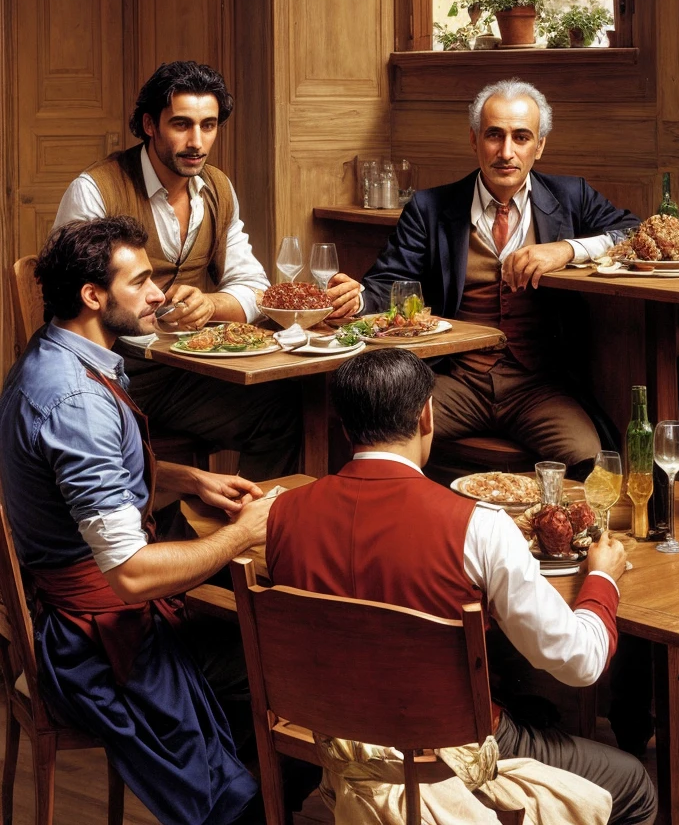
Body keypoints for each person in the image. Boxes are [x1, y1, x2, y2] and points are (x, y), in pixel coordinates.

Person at [265, 347, 658, 825]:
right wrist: (600, 579)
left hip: (335, 742)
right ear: (427, 415)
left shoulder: (282, 514)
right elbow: (581, 662)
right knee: (634, 783)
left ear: (344, 425)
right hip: (444, 754)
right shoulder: (481, 525)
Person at [0, 217, 277, 825]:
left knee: (255, 663)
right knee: (270, 668)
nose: (159, 294)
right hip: (93, 641)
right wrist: (242, 532)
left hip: (90, 608)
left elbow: (79, 493)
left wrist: (185, 479)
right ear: (93, 297)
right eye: (142, 281)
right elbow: (128, 572)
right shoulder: (77, 402)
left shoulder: (55, 357)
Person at [324, 78, 639, 472]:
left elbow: (634, 233)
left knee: (591, 465)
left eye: (521, 137)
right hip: (454, 380)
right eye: (494, 135)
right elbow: (388, 283)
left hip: (539, 387)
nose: (506, 152)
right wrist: (357, 299)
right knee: (379, 440)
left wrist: (568, 249)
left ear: (539, 145)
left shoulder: (571, 196)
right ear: (474, 140)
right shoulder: (430, 208)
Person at [52, 60, 301, 480]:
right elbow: (73, 299)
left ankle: (253, 533)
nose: (196, 142)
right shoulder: (95, 189)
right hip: (106, 371)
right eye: (182, 124)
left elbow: (254, 284)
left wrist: (211, 304)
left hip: (180, 372)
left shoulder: (218, 188)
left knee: (280, 411)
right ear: (150, 124)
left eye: (209, 125)